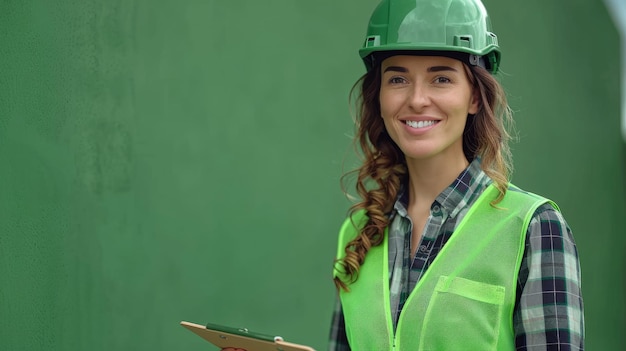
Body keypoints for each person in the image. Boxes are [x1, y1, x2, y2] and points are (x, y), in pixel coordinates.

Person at [329, 0, 584, 350]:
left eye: (441, 78)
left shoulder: (533, 228)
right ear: (380, 97)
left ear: (475, 97)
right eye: (398, 78)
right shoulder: (359, 231)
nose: (417, 99)